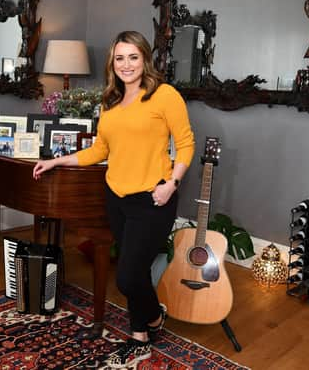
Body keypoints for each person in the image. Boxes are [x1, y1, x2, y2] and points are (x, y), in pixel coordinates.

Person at [33, 31, 194, 368]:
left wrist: (172, 183)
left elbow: (186, 143)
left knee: (127, 276)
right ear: (113, 64)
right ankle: (140, 337)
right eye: (119, 58)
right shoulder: (109, 102)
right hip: (117, 197)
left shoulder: (165, 96)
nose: (126, 65)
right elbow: (100, 150)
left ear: (145, 59)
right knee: (130, 270)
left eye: (133, 57)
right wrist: (57, 160)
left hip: (154, 198)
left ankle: (153, 318)